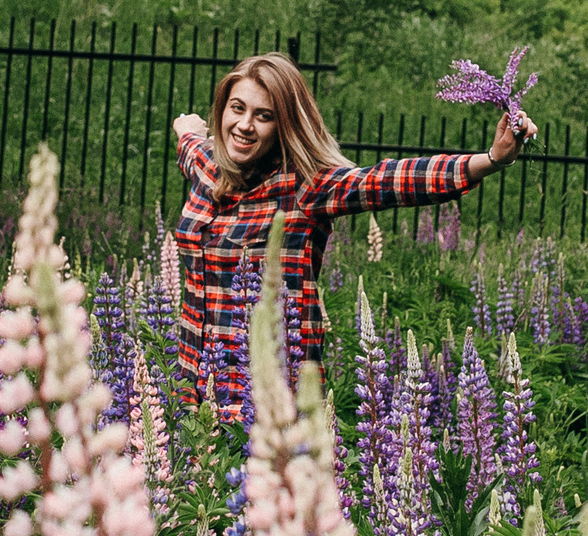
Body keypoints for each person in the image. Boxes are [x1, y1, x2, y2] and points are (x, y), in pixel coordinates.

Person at [170, 51, 526, 416]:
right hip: (191, 385)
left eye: (264, 116)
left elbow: (388, 181)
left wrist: (491, 160)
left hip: (266, 397)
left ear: (284, 126)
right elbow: (192, 149)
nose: (245, 125)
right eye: (237, 108)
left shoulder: (306, 187)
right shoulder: (210, 168)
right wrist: (186, 130)